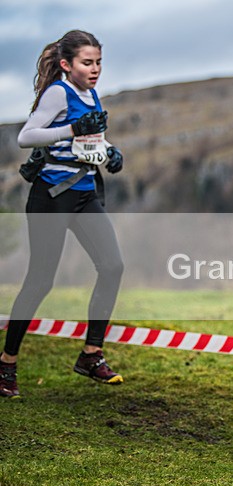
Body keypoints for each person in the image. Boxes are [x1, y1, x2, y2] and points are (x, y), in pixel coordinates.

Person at [0, 30, 125, 398]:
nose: (96, 69)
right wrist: (71, 128)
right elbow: (27, 136)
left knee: (113, 266)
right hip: (51, 199)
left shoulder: (91, 93)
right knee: (40, 282)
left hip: (85, 195)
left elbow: (89, 140)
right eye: (88, 62)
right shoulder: (59, 92)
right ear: (68, 64)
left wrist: (111, 151)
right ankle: (6, 362)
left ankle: (91, 355)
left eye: (99, 62)